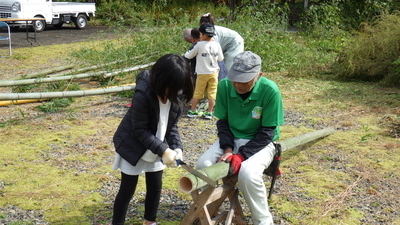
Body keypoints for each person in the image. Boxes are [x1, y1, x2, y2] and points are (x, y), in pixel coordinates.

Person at [196, 51, 284, 225]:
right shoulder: (225, 86)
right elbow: (223, 122)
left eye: (244, 80)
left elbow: (267, 132)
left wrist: (241, 155)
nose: (238, 84)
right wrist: (228, 149)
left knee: (248, 174)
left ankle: (263, 221)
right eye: (235, 79)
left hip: (260, 142)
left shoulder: (270, 91)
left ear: (259, 75)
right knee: (203, 165)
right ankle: (213, 208)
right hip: (232, 137)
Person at [111, 54, 194, 225]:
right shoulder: (143, 95)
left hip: (156, 146)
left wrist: (177, 148)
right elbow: (139, 130)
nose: (178, 92)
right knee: (127, 190)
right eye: (175, 87)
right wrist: (164, 150)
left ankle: (150, 222)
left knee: (155, 187)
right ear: (163, 81)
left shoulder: (174, 95)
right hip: (133, 145)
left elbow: (171, 127)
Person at [184, 23, 224, 119]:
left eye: (200, 34)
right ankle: (209, 112)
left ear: (204, 35)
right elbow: (220, 58)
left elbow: (188, 56)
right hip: (214, 73)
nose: (200, 36)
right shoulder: (217, 45)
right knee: (212, 93)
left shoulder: (199, 45)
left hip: (202, 73)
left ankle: (192, 111)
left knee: (198, 92)